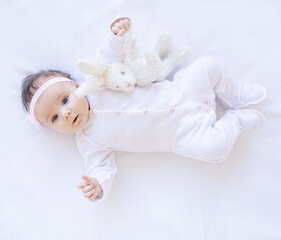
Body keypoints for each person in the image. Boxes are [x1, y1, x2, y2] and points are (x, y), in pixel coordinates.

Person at [20, 17, 267, 202]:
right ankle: (234, 122)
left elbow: (108, 56)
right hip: (182, 134)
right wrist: (98, 184)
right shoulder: (88, 142)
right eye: (54, 118)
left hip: (182, 91)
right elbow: (101, 168)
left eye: (64, 101)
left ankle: (234, 94)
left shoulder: (98, 83)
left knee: (207, 65)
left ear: (76, 85)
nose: (65, 114)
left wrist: (116, 37)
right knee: (215, 149)